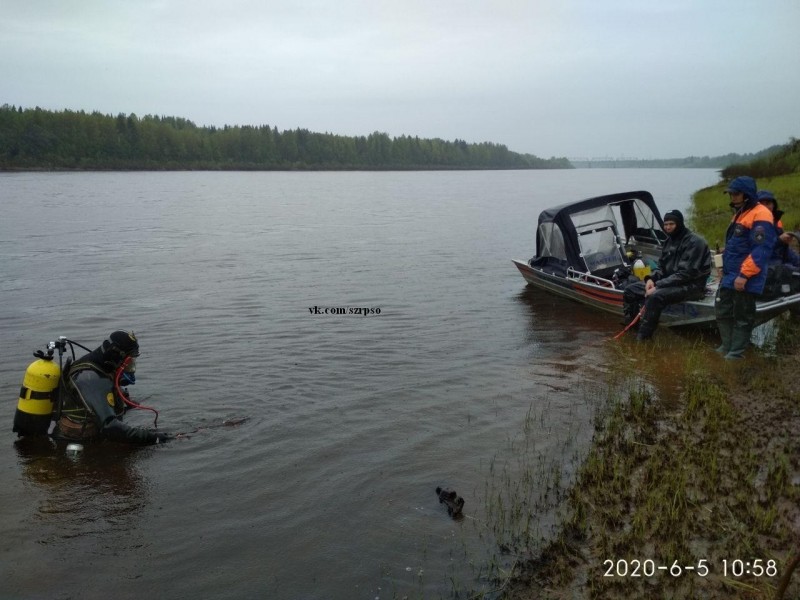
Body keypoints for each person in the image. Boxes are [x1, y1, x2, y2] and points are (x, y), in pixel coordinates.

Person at [55, 330, 170, 444]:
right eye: (129, 363)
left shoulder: (101, 364)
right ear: (116, 356)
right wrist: (154, 438)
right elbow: (110, 427)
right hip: (80, 442)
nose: (130, 368)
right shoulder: (91, 378)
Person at [622, 209, 711, 341]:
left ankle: (643, 338)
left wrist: (657, 286)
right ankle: (632, 326)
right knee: (630, 290)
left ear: (679, 223)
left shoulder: (695, 242)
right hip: (669, 283)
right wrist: (650, 279)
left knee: (655, 297)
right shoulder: (669, 241)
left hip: (692, 285)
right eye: (666, 224)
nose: (668, 227)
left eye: (671, 224)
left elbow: (686, 274)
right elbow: (662, 267)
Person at [715, 176, 777, 359]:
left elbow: (761, 249)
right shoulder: (741, 212)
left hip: (746, 275)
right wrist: (726, 254)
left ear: (747, 194)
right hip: (730, 273)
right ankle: (727, 346)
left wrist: (744, 275)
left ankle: (736, 354)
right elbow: (741, 242)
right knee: (723, 310)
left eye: (736, 193)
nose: (732, 197)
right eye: (731, 193)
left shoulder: (761, 214)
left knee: (743, 315)